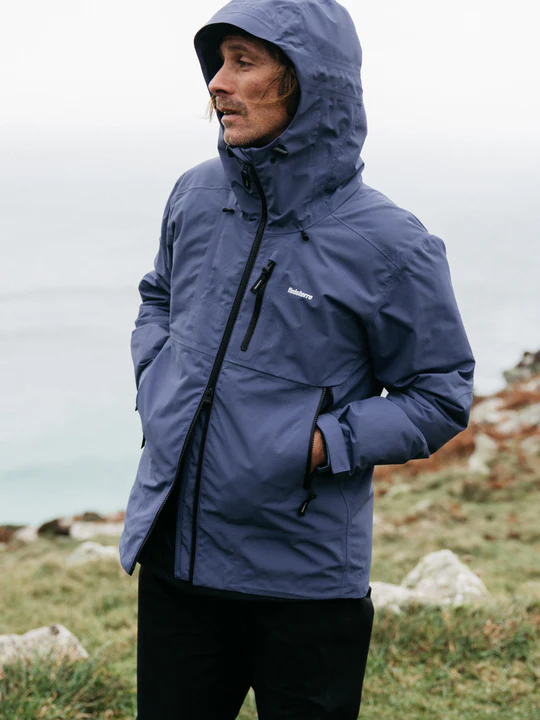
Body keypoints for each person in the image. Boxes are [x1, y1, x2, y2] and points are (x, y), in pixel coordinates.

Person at [119, 0, 475, 717]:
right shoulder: (195, 195)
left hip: (304, 581)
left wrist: (315, 443)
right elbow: (159, 296)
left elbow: (440, 393)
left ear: (309, 81)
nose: (218, 83)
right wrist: (159, 378)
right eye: (218, 63)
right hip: (176, 558)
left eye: (243, 62)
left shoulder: (392, 245)